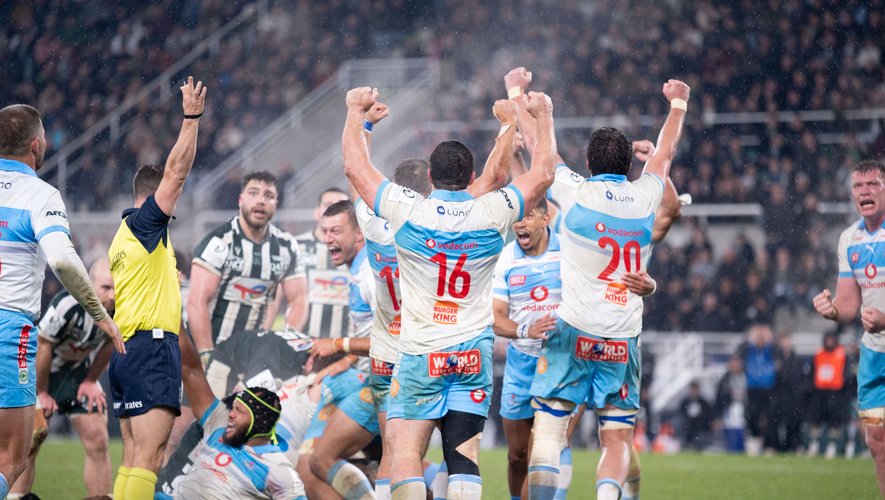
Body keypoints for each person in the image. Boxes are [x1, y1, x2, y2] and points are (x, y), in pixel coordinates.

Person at [342, 82, 556, 499]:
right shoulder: (492, 211)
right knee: (463, 457)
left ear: (429, 177)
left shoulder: (407, 210)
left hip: (420, 352)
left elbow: (355, 168)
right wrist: (538, 116)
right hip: (472, 354)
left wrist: (355, 112)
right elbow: (542, 175)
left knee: (404, 455)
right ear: (471, 178)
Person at [515, 76, 689, 500]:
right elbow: (664, 154)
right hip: (621, 336)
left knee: (549, 433)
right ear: (629, 166)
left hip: (572, 330)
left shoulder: (575, 192)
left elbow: (541, 149)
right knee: (616, 439)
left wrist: (520, 96)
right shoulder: (646, 196)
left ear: (589, 164)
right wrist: (678, 105)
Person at [0, 103, 124, 498]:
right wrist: (99, 313)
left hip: (43, 353)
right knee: (11, 456)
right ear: (36, 145)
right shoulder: (39, 194)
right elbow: (63, 260)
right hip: (8, 328)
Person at [107, 76, 206, 499]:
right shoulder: (147, 223)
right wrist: (191, 119)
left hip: (127, 351)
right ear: (153, 198)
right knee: (150, 457)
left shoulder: (121, 237)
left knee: (133, 456)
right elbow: (176, 174)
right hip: (151, 349)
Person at [158, 319, 305, 499]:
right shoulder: (220, 423)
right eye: (233, 408)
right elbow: (190, 370)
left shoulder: (278, 470)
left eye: (240, 411)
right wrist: (172, 315)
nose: (231, 414)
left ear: (261, 422)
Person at [492, 198, 578, 500]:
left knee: (546, 450)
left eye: (528, 216)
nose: (520, 223)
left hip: (561, 364)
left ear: (545, 219)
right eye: (517, 218)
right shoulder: (506, 258)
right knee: (517, 455)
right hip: (521, 363)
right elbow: (496, 318)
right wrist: (526, 330)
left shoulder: (568, 252)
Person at [10, 259, 116, 499]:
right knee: (30, 441)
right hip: (41, 373)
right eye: (106, 288)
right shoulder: (67, 304)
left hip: (79, 374)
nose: (112, 295)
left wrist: (91, 381)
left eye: (115, 288)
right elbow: (43, 346)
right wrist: (42, 392)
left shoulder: (120, 308)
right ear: (89, 284)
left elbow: (112, 341)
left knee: (98, 439)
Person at [299, 200, 378, 499]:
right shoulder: (360, 270)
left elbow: (393, 341)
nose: (328, 238)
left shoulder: (370, 276)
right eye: (324, 231)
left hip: (385, 385)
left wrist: (337, 345)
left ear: (358, 234)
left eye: (336, 231)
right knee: (394, 464)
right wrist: (346, 360)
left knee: (315, 462)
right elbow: (374, 332)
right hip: (371, 378)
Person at [188, 170, 307, 362]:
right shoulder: (219, 241)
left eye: (268, 196)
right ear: (240, 200)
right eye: (253, 193)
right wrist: (206, 355)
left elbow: (299, 300)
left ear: (276, 204)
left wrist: (288, 341)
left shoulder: (286, 246)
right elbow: (196, 301)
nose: (260, 200)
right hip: (209, 348)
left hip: (250, 356)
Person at [294, 187, 351, 340]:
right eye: (329, 205)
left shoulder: (358, 250)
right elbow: (276, 298)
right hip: (301, 344)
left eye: (341, 206)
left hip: (345, 345)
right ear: (316, 212)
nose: (334, 210)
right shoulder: (295, 246)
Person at [736, 322, 780, 455]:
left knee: (769, 417)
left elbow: (777, 348)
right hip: (753, 389)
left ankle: (769, 444)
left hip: (768, 389)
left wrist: (768, 335)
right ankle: (754, 441)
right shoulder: (749, 350)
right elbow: (740, 348)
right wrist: (752, 335)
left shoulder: (770, 350)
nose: (759, 339)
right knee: (751, 416)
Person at [808, 332, 849, 458]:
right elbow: (812, 372)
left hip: (835, 391)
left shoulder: (842, 354)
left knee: (835, 421)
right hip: (820, 391)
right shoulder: (818, 354)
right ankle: (814, 444)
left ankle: (833, 445)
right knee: (816, 420)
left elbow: (846, 373)